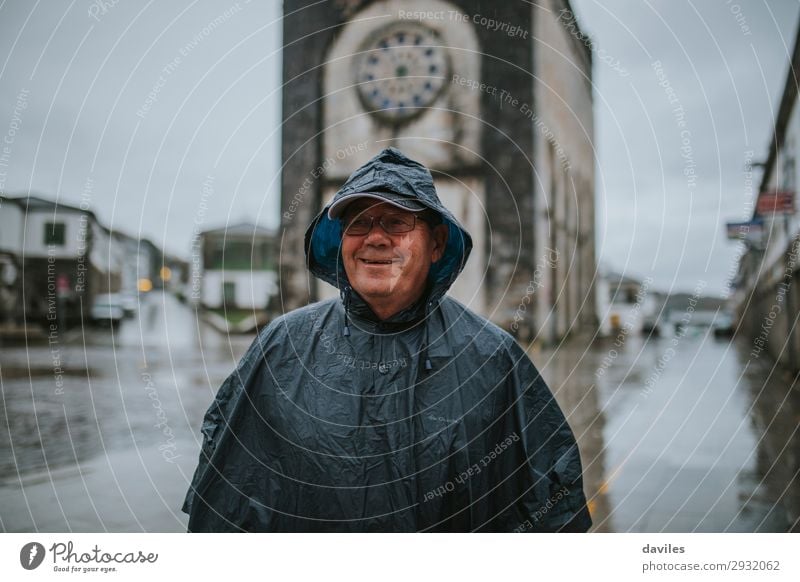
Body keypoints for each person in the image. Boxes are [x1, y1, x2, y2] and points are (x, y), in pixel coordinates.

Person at [182, 147, 592, 532]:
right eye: (358, 222)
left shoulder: (492, 357)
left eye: (396, 221)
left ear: (436, 244)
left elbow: (552, 509)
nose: (375, 238)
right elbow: (224, 502)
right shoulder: (282, 347)